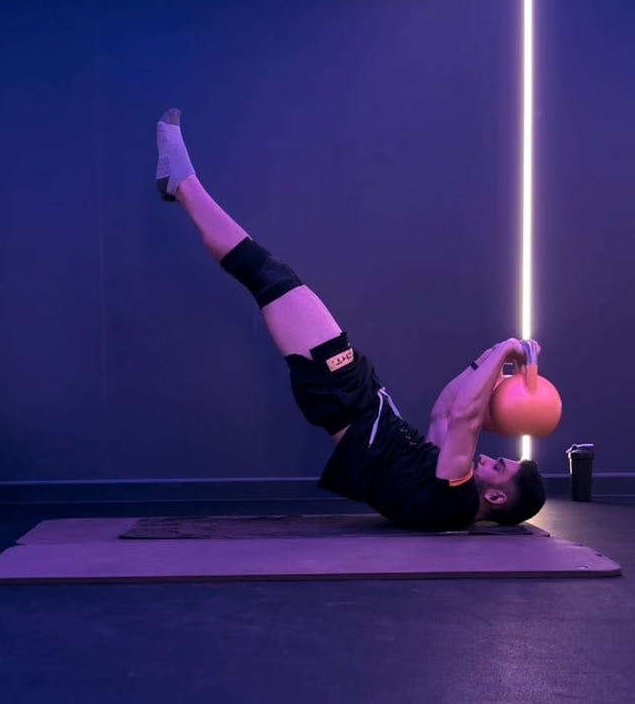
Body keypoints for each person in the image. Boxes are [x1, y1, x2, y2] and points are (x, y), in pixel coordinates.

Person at [155, 108, 546, 530]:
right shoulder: (441, 484)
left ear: (494, 495)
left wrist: (507, 347)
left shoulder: (457, 500)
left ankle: (182, 183)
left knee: (267, 276)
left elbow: (465, 418)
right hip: (351, 395)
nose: (488, 457)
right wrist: (489, 357)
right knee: (270, 279)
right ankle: (181, 184)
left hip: (344, 394)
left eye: (499, 466)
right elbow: (445, 410)